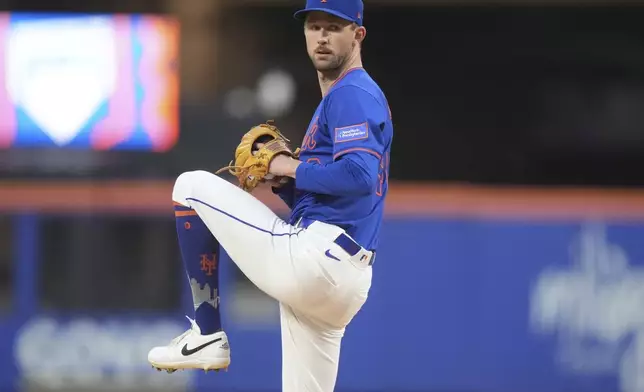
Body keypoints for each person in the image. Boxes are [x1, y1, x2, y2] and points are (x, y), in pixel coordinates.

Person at [147, 0, 393, 390]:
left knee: (190, 187)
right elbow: (341, 197)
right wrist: (289, 187)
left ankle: (207, 333)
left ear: (358, 35)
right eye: (314, 27)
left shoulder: (352, 93)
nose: (322, 36)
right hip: (343, 275)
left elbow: (359, 177)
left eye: (334, 26)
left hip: (320, 260)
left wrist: (286, 167)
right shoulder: (346, 97)